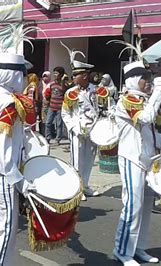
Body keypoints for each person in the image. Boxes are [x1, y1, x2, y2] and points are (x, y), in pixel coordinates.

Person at [112, 46, 161, 266]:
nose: (148, 81)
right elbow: (145, 118)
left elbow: (152, 134)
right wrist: (158, 92)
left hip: (147, 160)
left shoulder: (142, 100)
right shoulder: (127, 101)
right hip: (131, 159)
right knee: (132, 206)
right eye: (143, 78)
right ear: (133, 80)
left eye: (148, 77)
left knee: (145, 208)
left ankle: (138, 248)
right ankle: (122, 250)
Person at [0, 52, 37, 265]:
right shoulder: (8, 102)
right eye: (22, 73)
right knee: (6, 231)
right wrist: (18, 179)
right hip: (3, 172)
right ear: (11, 75)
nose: (24, 77)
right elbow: (1, 144)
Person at [60, 42, 101, 200]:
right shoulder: (71, 92)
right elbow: (65, 113)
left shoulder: (96, 90)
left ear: (84, 75)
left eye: (76, 75)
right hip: (78, 130)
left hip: (93, 129)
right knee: (77, 160)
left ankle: (86, 185)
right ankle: (77, 187)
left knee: (89, 159)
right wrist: (73, 128)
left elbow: (104, 108)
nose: (73, 77)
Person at [44, 67, 66, 145]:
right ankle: (48, 138)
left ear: (61, 75)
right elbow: (48, 94)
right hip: (51, 106)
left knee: (59, 124)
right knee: (48, 123)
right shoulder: (52, 84)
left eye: (57, 73)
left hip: (60, 107)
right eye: (54, 73)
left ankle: (58, 139)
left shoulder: (64, 84)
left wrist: (63, 82)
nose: (55, 75)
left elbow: (65, 92)